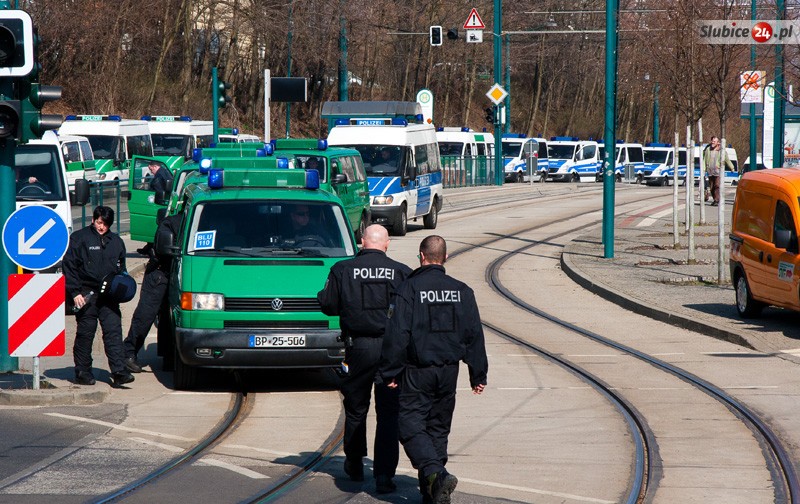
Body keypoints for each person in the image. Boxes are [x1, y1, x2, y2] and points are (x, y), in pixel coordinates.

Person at [378, 235, 488, 504]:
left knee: (409, 425)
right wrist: (478, 373)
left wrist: (390, 372)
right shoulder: (463, 291)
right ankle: (433, 493)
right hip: (449, 372)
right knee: (438, 429)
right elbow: (474, 334)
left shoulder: (409, 289)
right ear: (446, 258)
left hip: (417, 371)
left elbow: (398, 334)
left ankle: (436, 474)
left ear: (421, 256)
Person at [317, 225, 412, 493]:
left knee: (357, 407)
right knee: (389, 413)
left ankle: (355, 463)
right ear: (387, 244)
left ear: (361, 241)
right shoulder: (402, 272)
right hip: (392, 351)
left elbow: (328, 305)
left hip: (357, 347)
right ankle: (384, 475)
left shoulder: (342, 269)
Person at [63, 206, 135, 388]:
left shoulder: (116, 241)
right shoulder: (79, 238)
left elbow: (121, 270)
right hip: (86, 293)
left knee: (113, 332)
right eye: (99, 223)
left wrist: (122, 289)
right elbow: (70, 267)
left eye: (106, 224)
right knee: (86, 333)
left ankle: (119, 372)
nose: (102, 227)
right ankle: (83, 372)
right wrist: (75, 292)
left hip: (109, 295)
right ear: (93, 220)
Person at [123, 214, 182, 373]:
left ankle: (169, 357)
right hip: (160, 273)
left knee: (170, 318)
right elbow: (162, 246)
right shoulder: (174, 221)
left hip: (179, 274)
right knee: (146, 314)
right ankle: (128, 353)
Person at [703, 136, 733, 206]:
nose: (713, 143)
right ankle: (715, 199)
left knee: (717, 185)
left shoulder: (721, 151)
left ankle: (717, 200)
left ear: (718, 142)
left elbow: (727, 160)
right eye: (712, 141)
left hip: (718, 172)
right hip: (710, 171)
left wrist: (732, 167)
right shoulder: (708, 149)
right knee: (711, 187)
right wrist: (703, 169)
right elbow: (704, 160)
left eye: (714, 141)